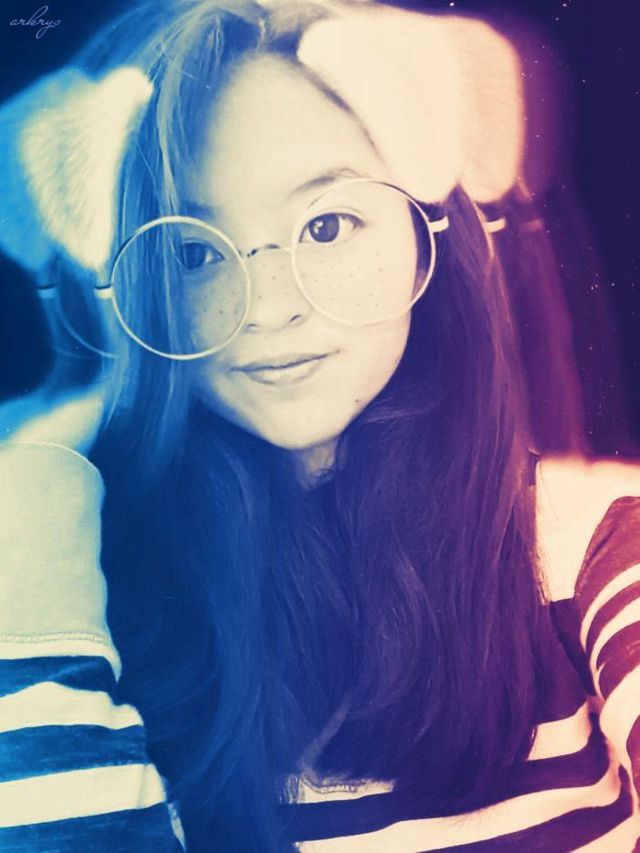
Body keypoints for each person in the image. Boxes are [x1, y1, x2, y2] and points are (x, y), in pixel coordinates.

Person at [0, 1, 639, 850]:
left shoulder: (585, 538)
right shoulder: (86, 594)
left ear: (426, 233)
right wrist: (41, 479)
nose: (268, 306)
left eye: (328, 224)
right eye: (193, 252)